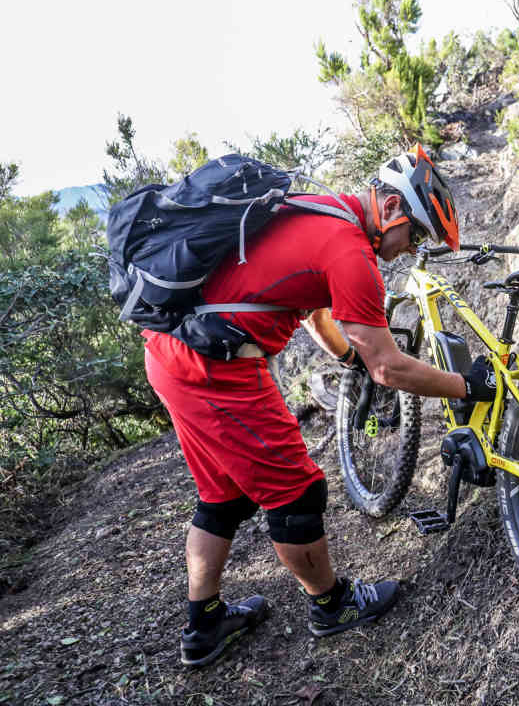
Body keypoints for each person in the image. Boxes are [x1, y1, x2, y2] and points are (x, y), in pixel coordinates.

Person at [143, 144, 497, 667]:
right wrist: (466, 385)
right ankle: (331, 606)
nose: (411, 248)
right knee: (298, 491)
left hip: (173, 351)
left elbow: (312, 313)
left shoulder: (319, 209)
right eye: (416, 234)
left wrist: (348, 357)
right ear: (394, 210)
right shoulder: (349, 251)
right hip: (214, 370)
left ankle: (204, 626)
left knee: (223, 496)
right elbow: (390, 368)